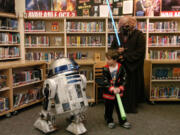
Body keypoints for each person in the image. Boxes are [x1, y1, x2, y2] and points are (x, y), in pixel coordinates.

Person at [110, 16, 146, 113]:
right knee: (120, 86)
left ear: (132, 25)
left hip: (132, 67)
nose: (123, 27)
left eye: (125, 25)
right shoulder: (118, 36)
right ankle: (119, 106)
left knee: (130, 88)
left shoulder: (139, 35)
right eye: (121, 25)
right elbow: (111, 50)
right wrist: (117, 51)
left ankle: (130, 107)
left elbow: (140, 52)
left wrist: (125, 55)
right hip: (121, 68)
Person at [102, 50, 131, 129]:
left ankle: (123, 121)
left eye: (109, 59)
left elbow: (124, 79)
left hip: (118, 92)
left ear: (115, 60)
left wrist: (120, 88)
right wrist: (111, 88)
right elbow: (105, 81)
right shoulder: (105, 69)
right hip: (109, 94)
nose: (107, 61)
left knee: (120, 107)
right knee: (109, 108)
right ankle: (109, 120)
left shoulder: (121, 67)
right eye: (106, 59)